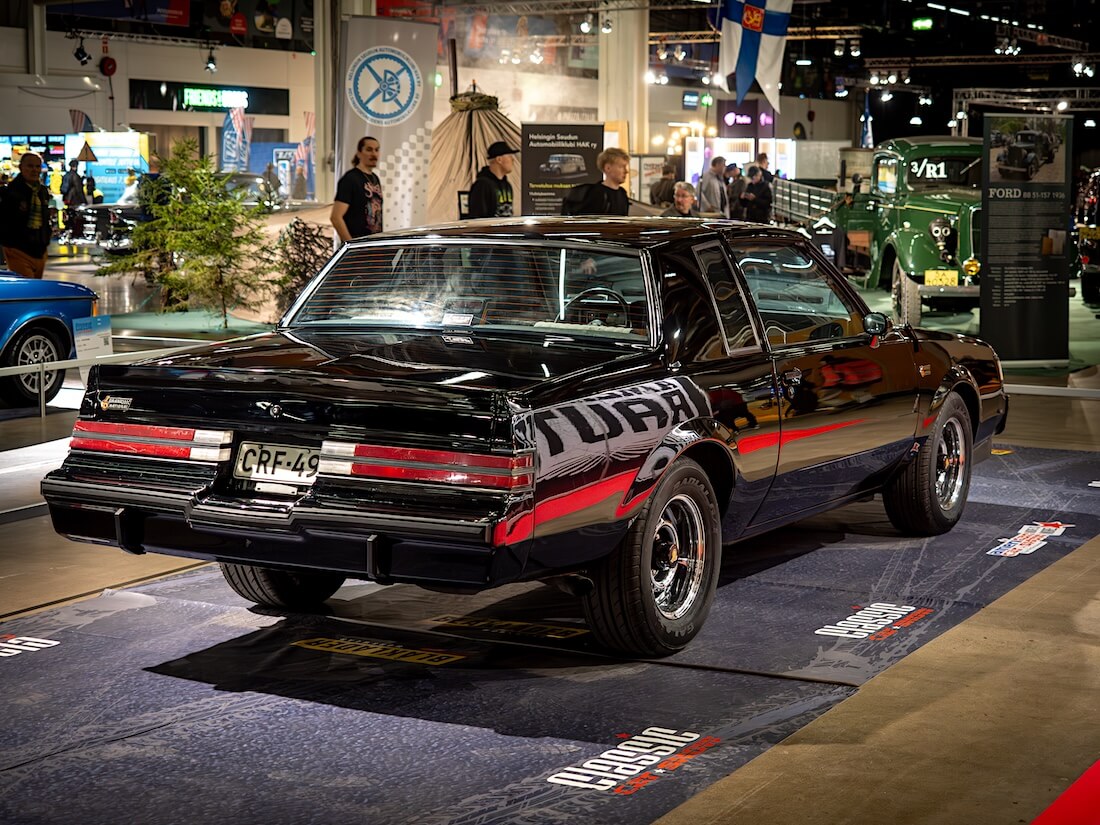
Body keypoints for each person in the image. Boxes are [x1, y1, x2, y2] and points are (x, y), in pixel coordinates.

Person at [0, 152, 54, 279]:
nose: (34, 170)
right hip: (18, 249)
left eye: (37, 166)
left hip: (39, 250)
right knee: (28, 286)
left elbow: (44, 219)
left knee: (35, 286)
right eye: (30, 166)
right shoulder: (11, 192)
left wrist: (46, 239)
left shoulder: (42, 191)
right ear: (21, 167)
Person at [331, 136, 383, 244]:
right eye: (369, 150)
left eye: (376, 150)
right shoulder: (350, 179)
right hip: (358, 249)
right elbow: (336, 217)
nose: (374, 154)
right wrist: (351, 245)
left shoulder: (375, 178)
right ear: (359, 153)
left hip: (374, 245)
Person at [571, 147, 631, 216]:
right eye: (621, 167)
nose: (626, 171)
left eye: (626, 167)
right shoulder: (596, 193)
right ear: (608, 168)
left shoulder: (623, 193)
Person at [467, 140, 518, 219]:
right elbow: (477, 219)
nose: (512, 160)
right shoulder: (482, 185)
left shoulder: (507, 186)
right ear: (499, 160)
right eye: (509, 156)